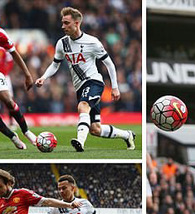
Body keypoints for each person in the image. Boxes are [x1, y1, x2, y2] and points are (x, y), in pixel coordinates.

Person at [35, 7, 135, 152]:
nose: (63, 26)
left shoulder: (92, 42)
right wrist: (43, 78)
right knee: (95, 129)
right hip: (79, 87)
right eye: (62, 23)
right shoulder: (62, 43)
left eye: (66, 23)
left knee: (83, 106)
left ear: (77, 23)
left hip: (94, 82)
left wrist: (115, 87)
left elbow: (109, 64)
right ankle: (127, 135)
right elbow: (55, 65)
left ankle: (80, 142)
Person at [0, 28, 37, 149]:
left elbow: (14, 53)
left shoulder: (1, 34)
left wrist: (27, 74)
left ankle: (26, 131)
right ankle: (12, 136)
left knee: (9, 101)